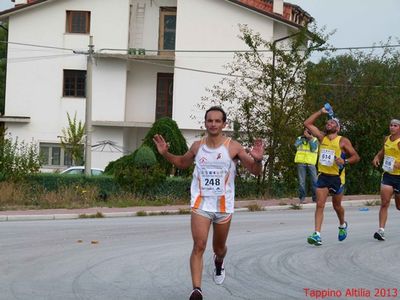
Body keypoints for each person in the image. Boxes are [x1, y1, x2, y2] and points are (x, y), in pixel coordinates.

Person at [153, 106, 264, 300]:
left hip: (223, 206)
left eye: (217, 121)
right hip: (201, 204)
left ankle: (219, 262)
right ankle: (197, 290)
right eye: (210, 120)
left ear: (224, 124)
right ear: (205, 123)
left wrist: (259, 160)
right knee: (199, 245)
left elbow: (255, 171)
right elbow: (181, 163)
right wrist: (165, 154)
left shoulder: (233, 147)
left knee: (219, 248)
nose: (213, 124)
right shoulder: (197, 146)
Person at [304, 106, 360, 246]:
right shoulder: (322, 137)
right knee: (320, 205)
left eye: (332, 123)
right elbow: (307, 124)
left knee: (337, 206)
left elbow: (356, 157)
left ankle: (342, 225)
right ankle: (317, 234)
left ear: (338, 128)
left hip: (337, 177)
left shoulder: (343, 141)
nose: (329, 124)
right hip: (323, 175)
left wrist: (345, 160)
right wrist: (320, 112)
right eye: (328, 122)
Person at [372, 119, 400, 241]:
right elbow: (383, 151)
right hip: (388, 175)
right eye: (391, 125)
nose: (392, 127)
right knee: (385, 203)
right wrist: (377, 157)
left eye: (395, 126)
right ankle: (381, 230)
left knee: (399, 206)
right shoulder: (386, 139)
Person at [294, 129, 319, 203]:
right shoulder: (299, 138)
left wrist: (310, 139)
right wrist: (303, 139)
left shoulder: (315, 140)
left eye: (308, 132)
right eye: (305, 132)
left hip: (311, 163)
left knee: (314, 181)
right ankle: (302, 198)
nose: (306, 133)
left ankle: (315, 198)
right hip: (301, 162)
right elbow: (296, 145)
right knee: (301, 182)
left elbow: (313, 148)